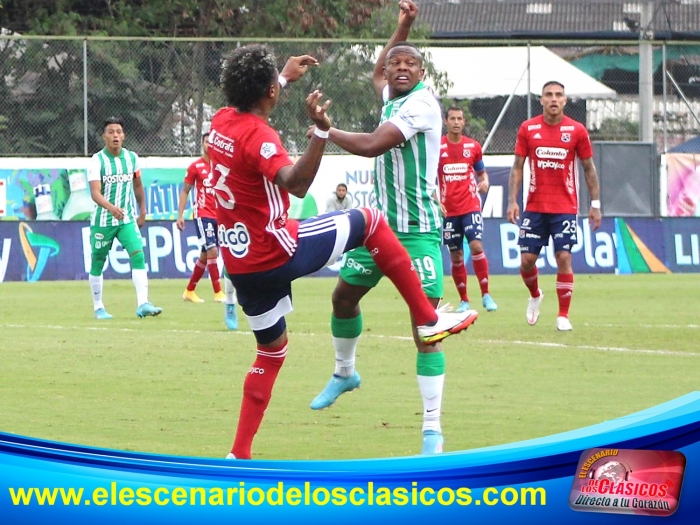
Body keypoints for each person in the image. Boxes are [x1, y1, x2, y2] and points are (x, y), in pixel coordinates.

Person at [208, 44, 475, 460]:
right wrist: (320, 132)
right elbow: (296, 184)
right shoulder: (260, 136)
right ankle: (429, 318)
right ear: (270, 92)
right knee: (370, 221)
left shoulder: (220, 122)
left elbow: (254, 100)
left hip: (241, 264)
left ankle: (238, 454)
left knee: (271, 352)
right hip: (277, 248)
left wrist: (282, 78)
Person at [309, 0, 478, 455]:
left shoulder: (421, 104)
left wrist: (326, 131)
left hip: (418, 231)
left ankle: (432, 429)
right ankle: (345, 373)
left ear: (422, 72)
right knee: (342, 298)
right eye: (394, 63)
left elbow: (371, 145)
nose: (399, 67)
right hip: (379, 230)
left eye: (409, 63)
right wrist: (402, 25)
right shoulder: (393, 96)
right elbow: (376, 75)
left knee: (426, 330)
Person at [507, 80, 602, 331]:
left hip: (565, 207)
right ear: (541, 100)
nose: (553, 99)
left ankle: (563, 315)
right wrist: (512, 201)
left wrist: (595, 204)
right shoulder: (528, 128)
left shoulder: (577, 130)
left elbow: (589, 168)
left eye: (558, 95)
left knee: (564, 256)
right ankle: (535, 294)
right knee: (527, 260)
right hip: (535, 207)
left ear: (565, 100)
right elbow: (517, 167)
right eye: (548, 95)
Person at [87, 117, 162, 319]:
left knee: (138, 254)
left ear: (124, 136)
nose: (115, 136)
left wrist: (143, 211)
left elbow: (138, 186)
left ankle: (143, 303)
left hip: (126, 219)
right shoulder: (97, 161)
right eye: (111, 132)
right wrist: (111, 208)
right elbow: (95, 192)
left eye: (119, 132)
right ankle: (98, 307)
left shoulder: (131, 159)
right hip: (103, 220)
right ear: (104, 136)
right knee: (97, 262)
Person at [176, 132, 239, 329]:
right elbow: (185, 190)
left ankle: (189, 291)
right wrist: (180, 215)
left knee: (205, 254)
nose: (209, 145)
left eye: (212, 142)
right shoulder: (195, 167)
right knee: (212, 251)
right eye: (206, 141)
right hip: (202, 214)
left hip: (219, 215)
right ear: (202, 144)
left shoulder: (222, 167)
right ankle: (218, 292)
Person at [438, 106, 498, 314]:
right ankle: (464, 300)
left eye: (459, 119)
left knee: (476, 246)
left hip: (470, 205)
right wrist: (437, 201)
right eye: (452, 118)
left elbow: (482, 173)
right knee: (456, 256)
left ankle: (486, 295)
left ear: (464, 122)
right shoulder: (437, 147)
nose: (456, 122)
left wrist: (485, 182)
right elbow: (427, 178)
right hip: (448, 210)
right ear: (446, 122)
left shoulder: (473, 147)